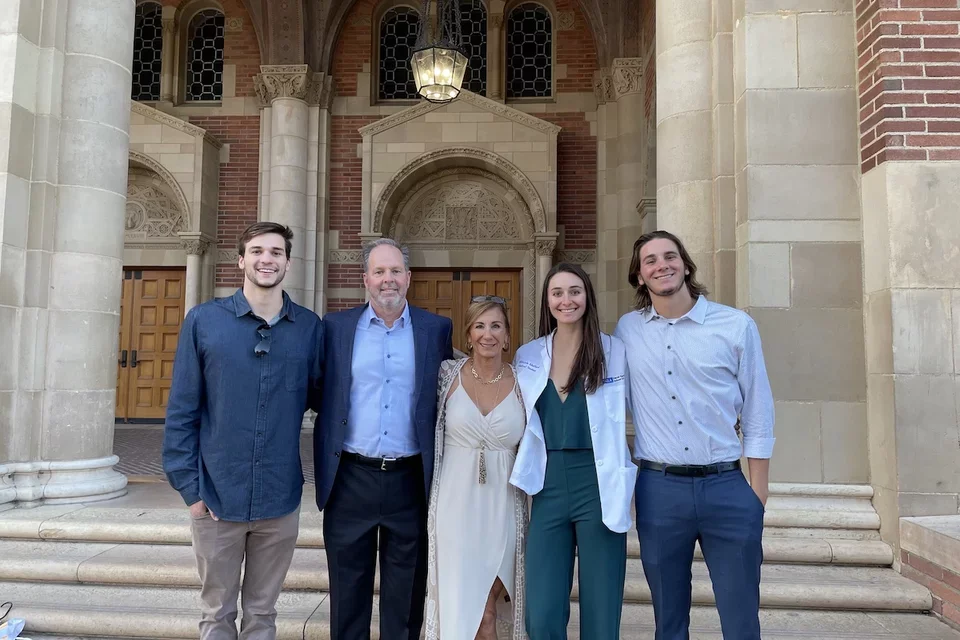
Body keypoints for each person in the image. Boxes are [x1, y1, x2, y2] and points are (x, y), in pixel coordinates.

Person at [163, 221, 323, 640]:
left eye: (275, 252)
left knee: (263, 614)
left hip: (279, 498)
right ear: (241, 260)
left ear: (288, 262)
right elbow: (182, 410)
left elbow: (329, 403)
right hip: (217, 497)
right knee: (216, 615)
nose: (266, 259)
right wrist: (191, 492)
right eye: (257, 251)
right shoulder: (204, 322)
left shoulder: (308, 328)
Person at [614, 230, 775, 640]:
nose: (661, 265)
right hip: (659, 489)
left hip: (726, 486)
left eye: (670, 256)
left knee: (741, 620)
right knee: (668, 620)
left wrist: (757, 496)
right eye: (650, 261)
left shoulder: (735, 325)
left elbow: (758, 410)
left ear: (686, 265)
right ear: (639, 277)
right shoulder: (628, 331)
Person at [313, 238, 453, 640]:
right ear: (365, 280)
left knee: (405, 601)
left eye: (395, 271)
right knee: (347, 598)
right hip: (349, 478)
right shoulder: (335, 328)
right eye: (379, 272)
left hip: (410, 480)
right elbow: (318, 391)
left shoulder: (435, 329)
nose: (387, 279)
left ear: (409, 278)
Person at [510, 262, 636, 639]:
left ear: (588, 297)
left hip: (598, 484)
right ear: (547, 301)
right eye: (558, 293)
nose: (567, 300)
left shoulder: (615, 351)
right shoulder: (528, 355)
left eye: (575, 291)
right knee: (542, 610)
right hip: (547, 487)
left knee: (602, 607)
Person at [426, 297, 528, 640]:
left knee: (488, 609)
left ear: (508, 335)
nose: (488, 334)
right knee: (466, 609)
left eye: (496, 325)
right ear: (468, 335)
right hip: (454, 509)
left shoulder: (525, 382)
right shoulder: (445, 376)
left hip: (503, 508)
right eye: (480, 326)